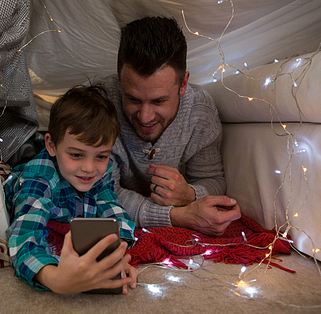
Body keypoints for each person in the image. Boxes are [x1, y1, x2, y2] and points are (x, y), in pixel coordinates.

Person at [99, 16, 241, 236]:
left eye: (159, 101)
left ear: (183, 85)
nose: (145, 117)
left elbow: (212, 179)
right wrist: (176, 217)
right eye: (133, 99)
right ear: (120, 81)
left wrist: (191, 195)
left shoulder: (200, 110)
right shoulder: (100, 103)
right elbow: (103, 193)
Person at [4, 84, 137, 294]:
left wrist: (113, 256)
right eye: (76, 155)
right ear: (51, 145)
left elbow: (112, 209)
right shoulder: (40, 177)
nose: (89, 168)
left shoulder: (101, 172)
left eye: (101, 156)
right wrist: (56, 279)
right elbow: (23, 238)